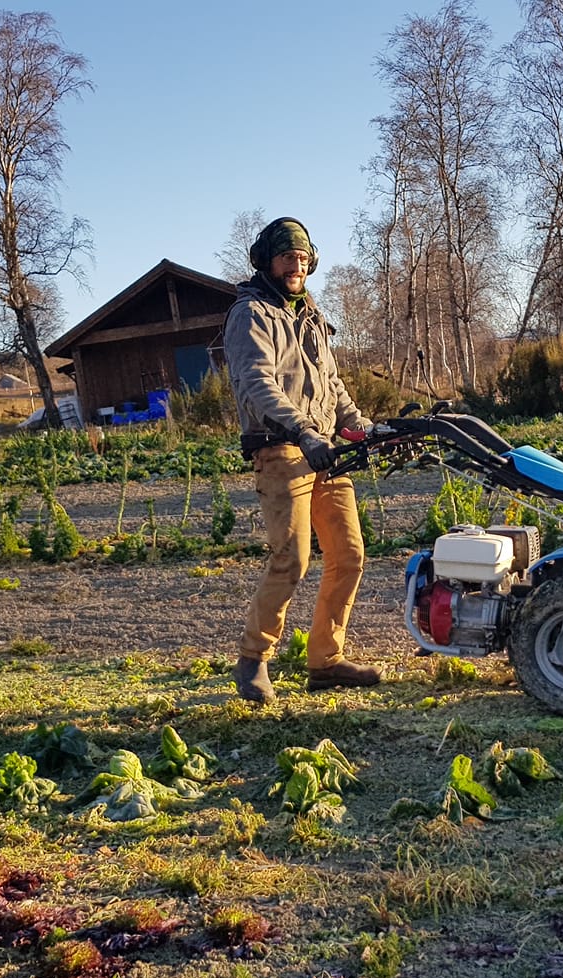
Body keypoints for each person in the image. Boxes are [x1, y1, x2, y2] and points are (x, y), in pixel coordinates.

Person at [225, 217, 381, 705]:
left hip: (326, 449)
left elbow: (332, 383)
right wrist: (303, 431)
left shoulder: (311, 314)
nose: (296, 265)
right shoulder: (251, 314)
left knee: (349, 556)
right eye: (286, 257)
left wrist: (363, 428)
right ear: (268, 261)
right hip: (282, 448)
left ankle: (326, 662)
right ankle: (253, 660)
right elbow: (257, 382)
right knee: (291, 559)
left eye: (302, 257)